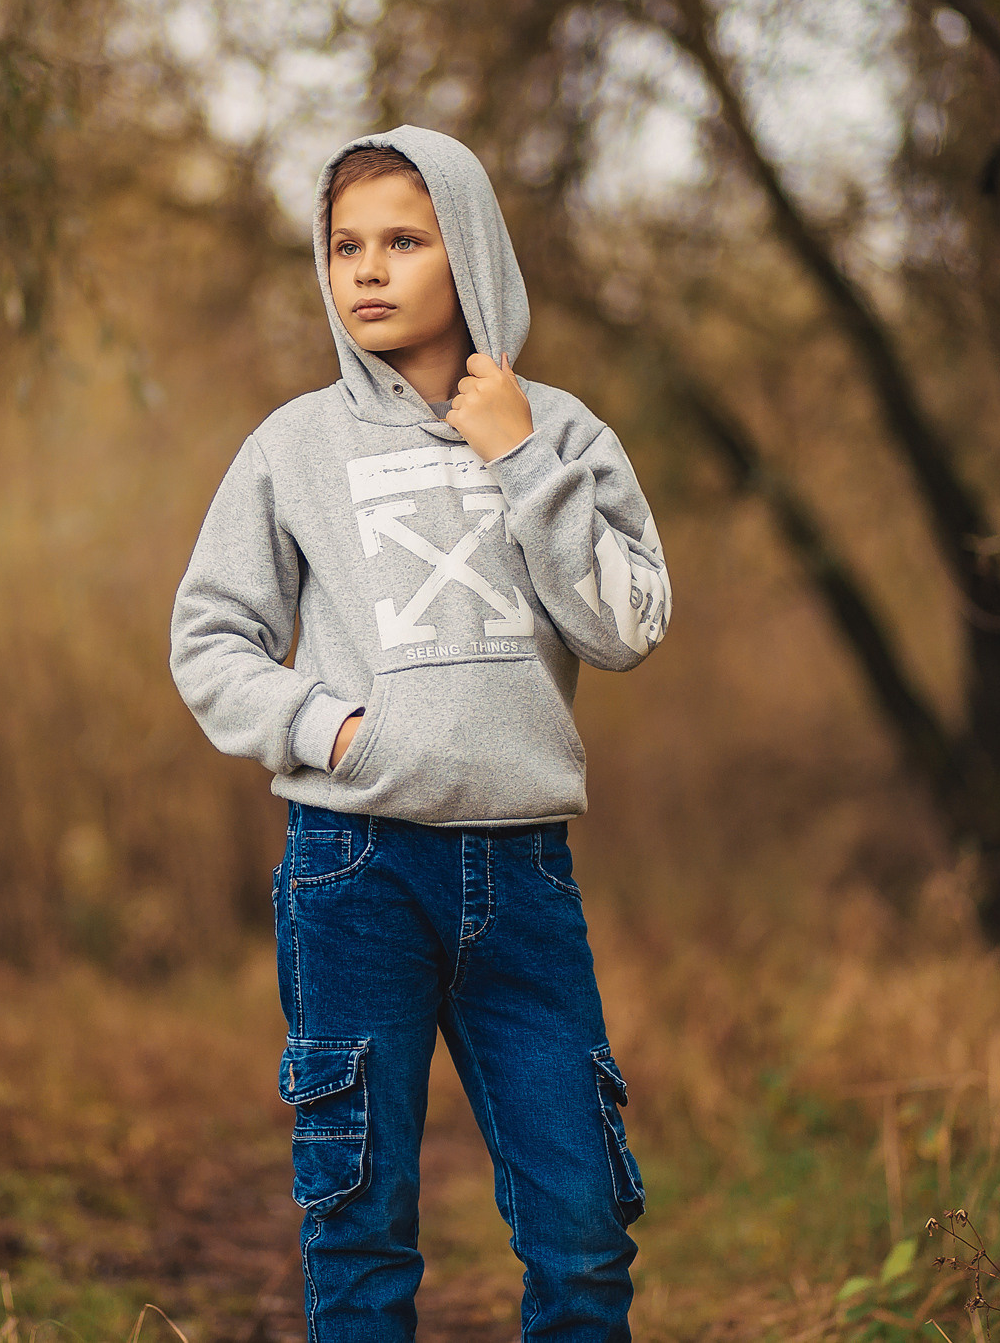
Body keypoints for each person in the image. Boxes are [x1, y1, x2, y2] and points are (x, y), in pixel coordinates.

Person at [169, 125, 669, 1343]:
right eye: (346, 246)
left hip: (523, 874)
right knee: (359, 1226)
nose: (369, 271)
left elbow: (628, 625)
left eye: (405, 239)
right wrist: (327, 727)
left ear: (472, 252)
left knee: (583, 1230)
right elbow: (210, 637)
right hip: (354, 873)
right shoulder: (294, 446)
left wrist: (518, 456)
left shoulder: (562, 431)